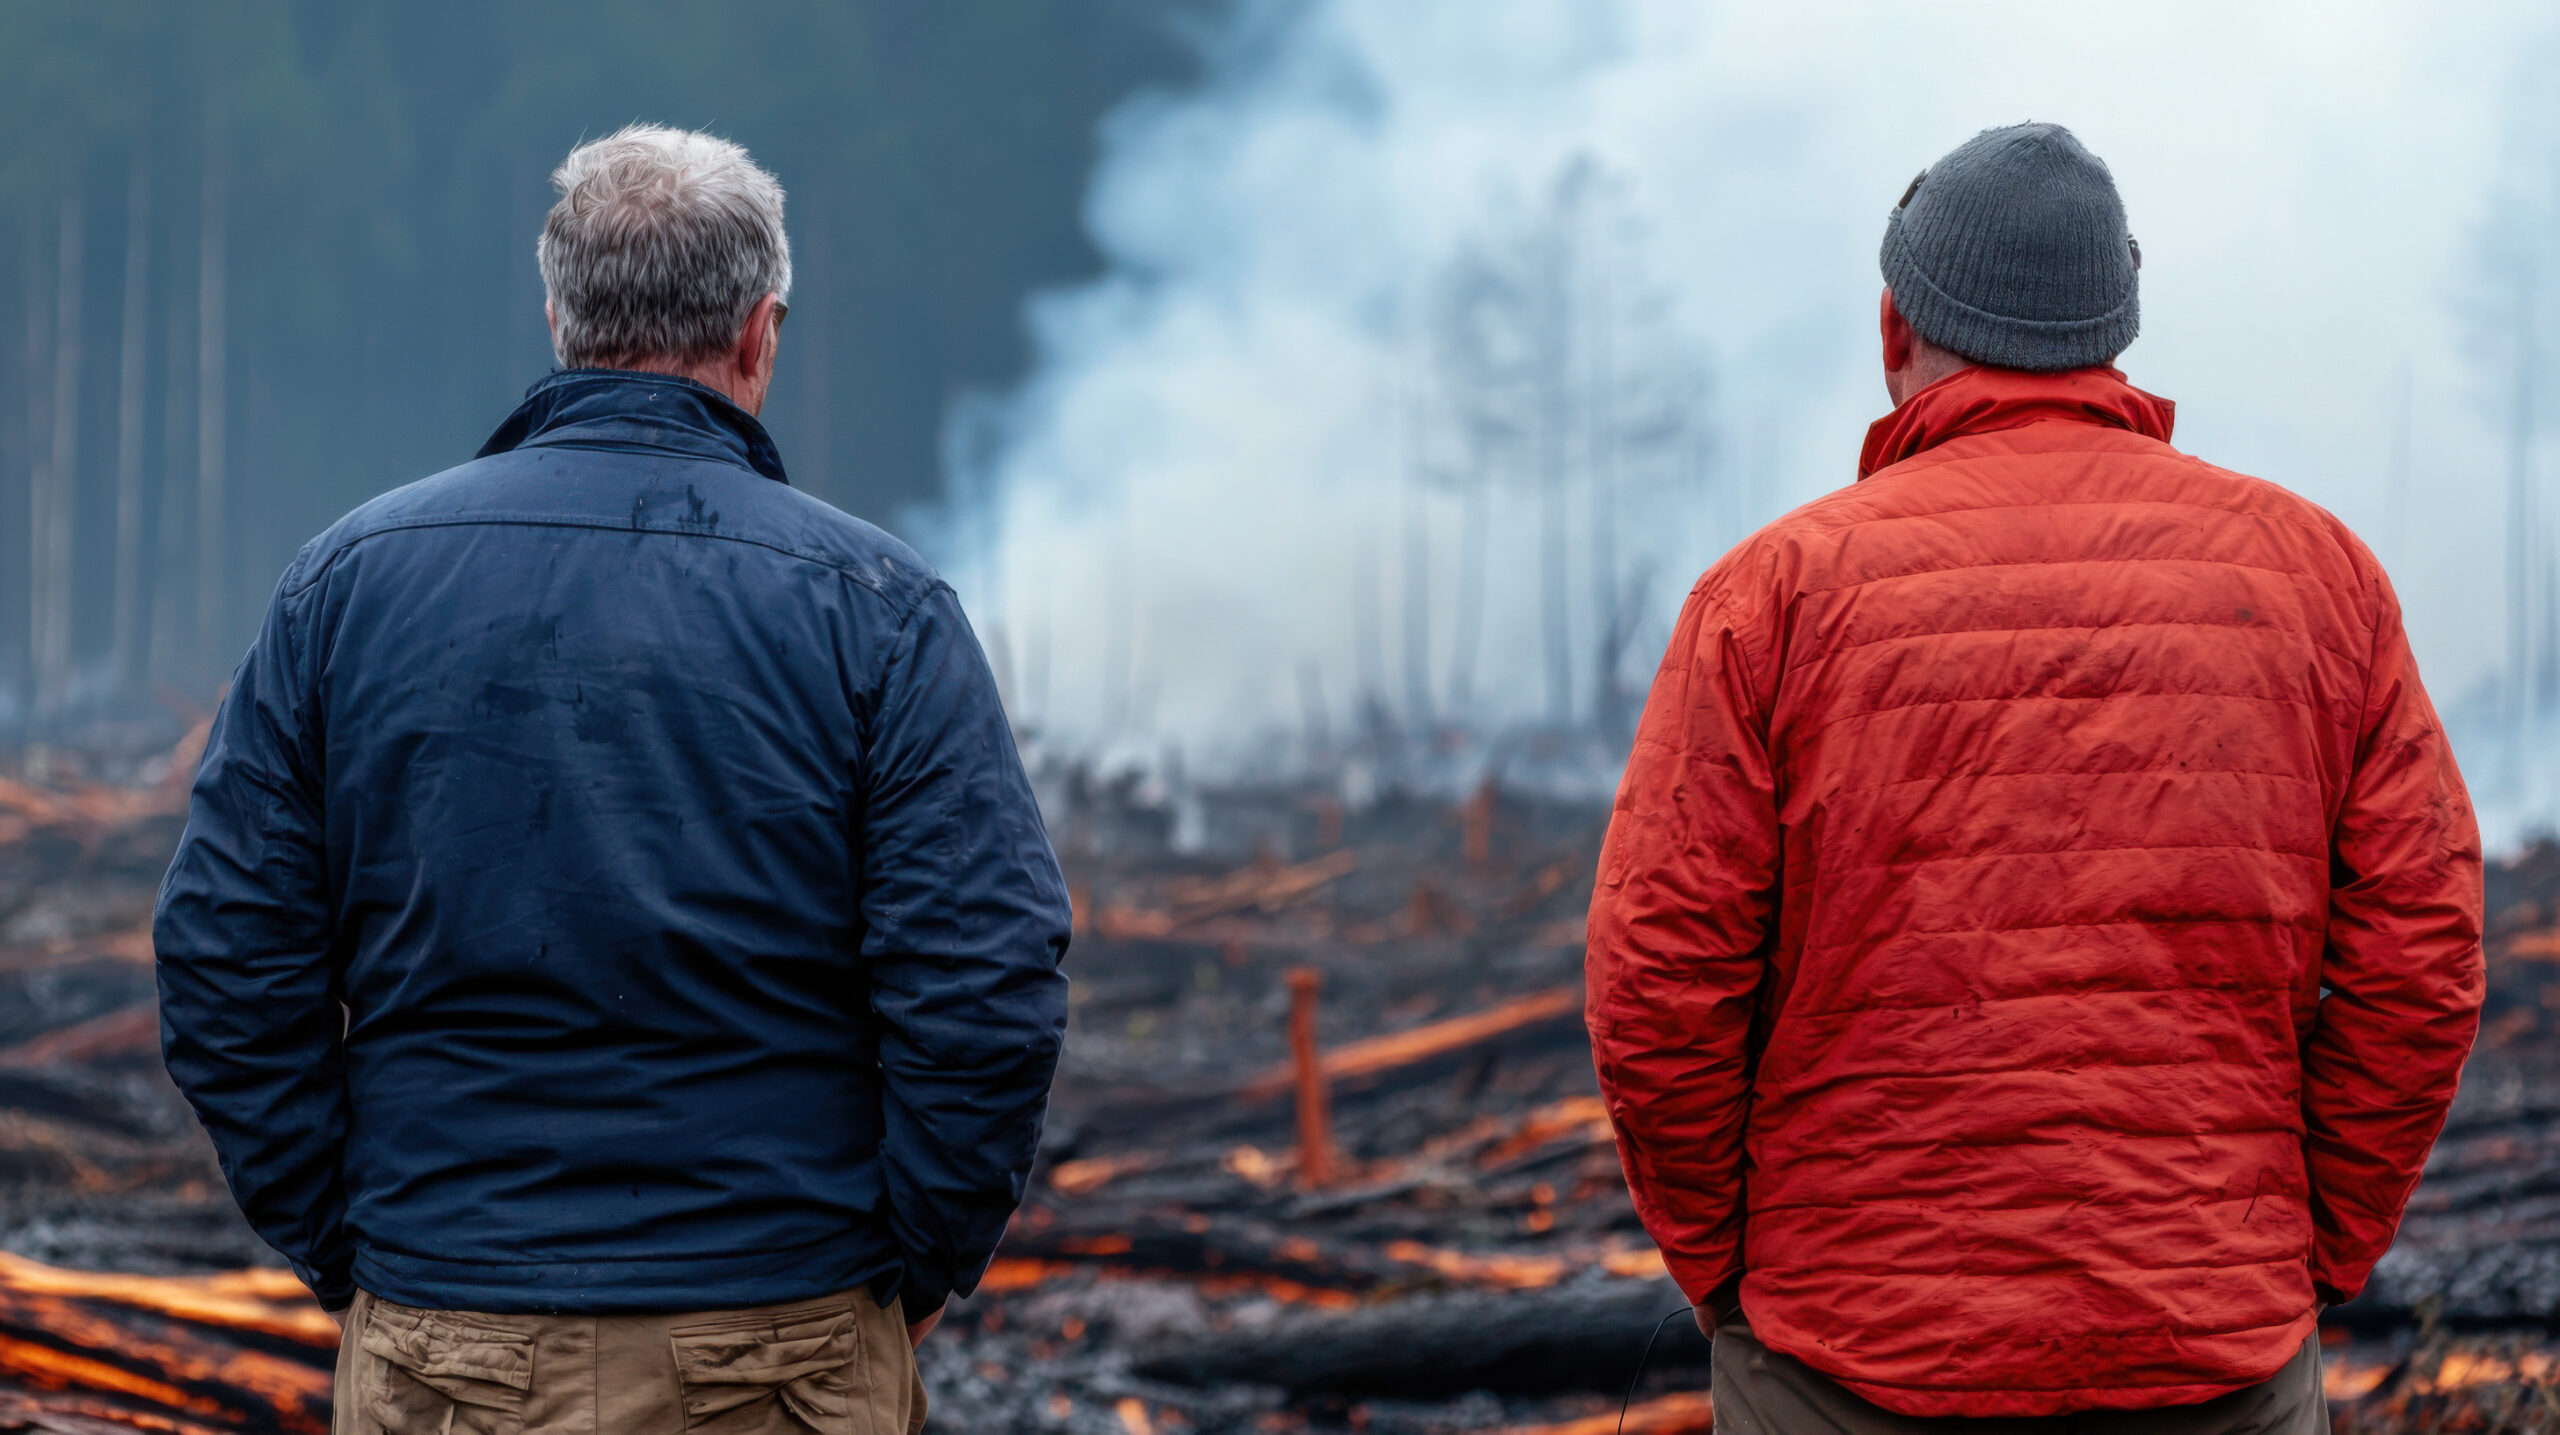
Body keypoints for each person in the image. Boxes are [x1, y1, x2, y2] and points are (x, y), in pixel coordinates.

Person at [154, 125, 1070, 1435]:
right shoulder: (880, 609)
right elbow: (987, 983)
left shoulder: (348, 585)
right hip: (783, 1347)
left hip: (446, 1341)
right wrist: (908, 1275)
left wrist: (356, 1248)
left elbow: (223, 959)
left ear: (558, 319)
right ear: (760, 331)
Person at [1585, 122, 2483, 1431]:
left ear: (1896, 327)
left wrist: (1730, 1267)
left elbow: (1653, 983)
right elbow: (2430, 958)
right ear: (2112, 328)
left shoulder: (1771, 597)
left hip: (1847, 1370)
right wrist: (2312, 1246)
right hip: (2213, 1361)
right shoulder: (2319, 579)